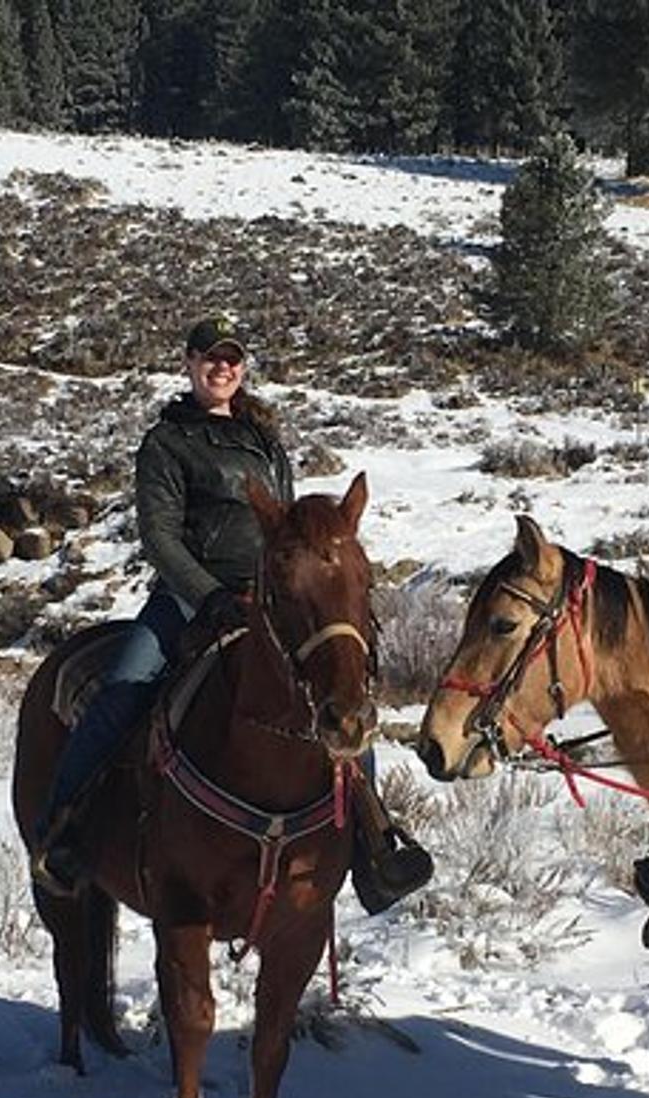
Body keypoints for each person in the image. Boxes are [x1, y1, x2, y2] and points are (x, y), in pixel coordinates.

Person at [31, 316, 433, 914]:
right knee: (125, 686)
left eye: (232, 359)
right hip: (189, 597)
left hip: (271, 599)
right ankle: (63, 829)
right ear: (189, 364)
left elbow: (288, 527)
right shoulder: (167, 443)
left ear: (242, 369)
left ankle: (373, 844)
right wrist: (209, 596)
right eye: (209, 357)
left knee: (342, 704)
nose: (222, 367)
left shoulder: (264, 441)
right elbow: (160, 536)